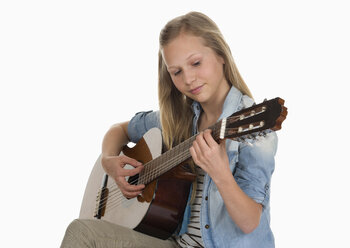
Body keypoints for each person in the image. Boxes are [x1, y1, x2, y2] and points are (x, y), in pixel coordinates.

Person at [61, 11, 278, 248]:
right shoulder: (177, 118)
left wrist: (220, 173)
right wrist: (108, 161)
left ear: (221, 54)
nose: (189, 79)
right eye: (177, 72)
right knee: (82, 231)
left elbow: (249, 223)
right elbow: (119, 130)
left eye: (196, 63)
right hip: (178, 244)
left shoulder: (253, 127)